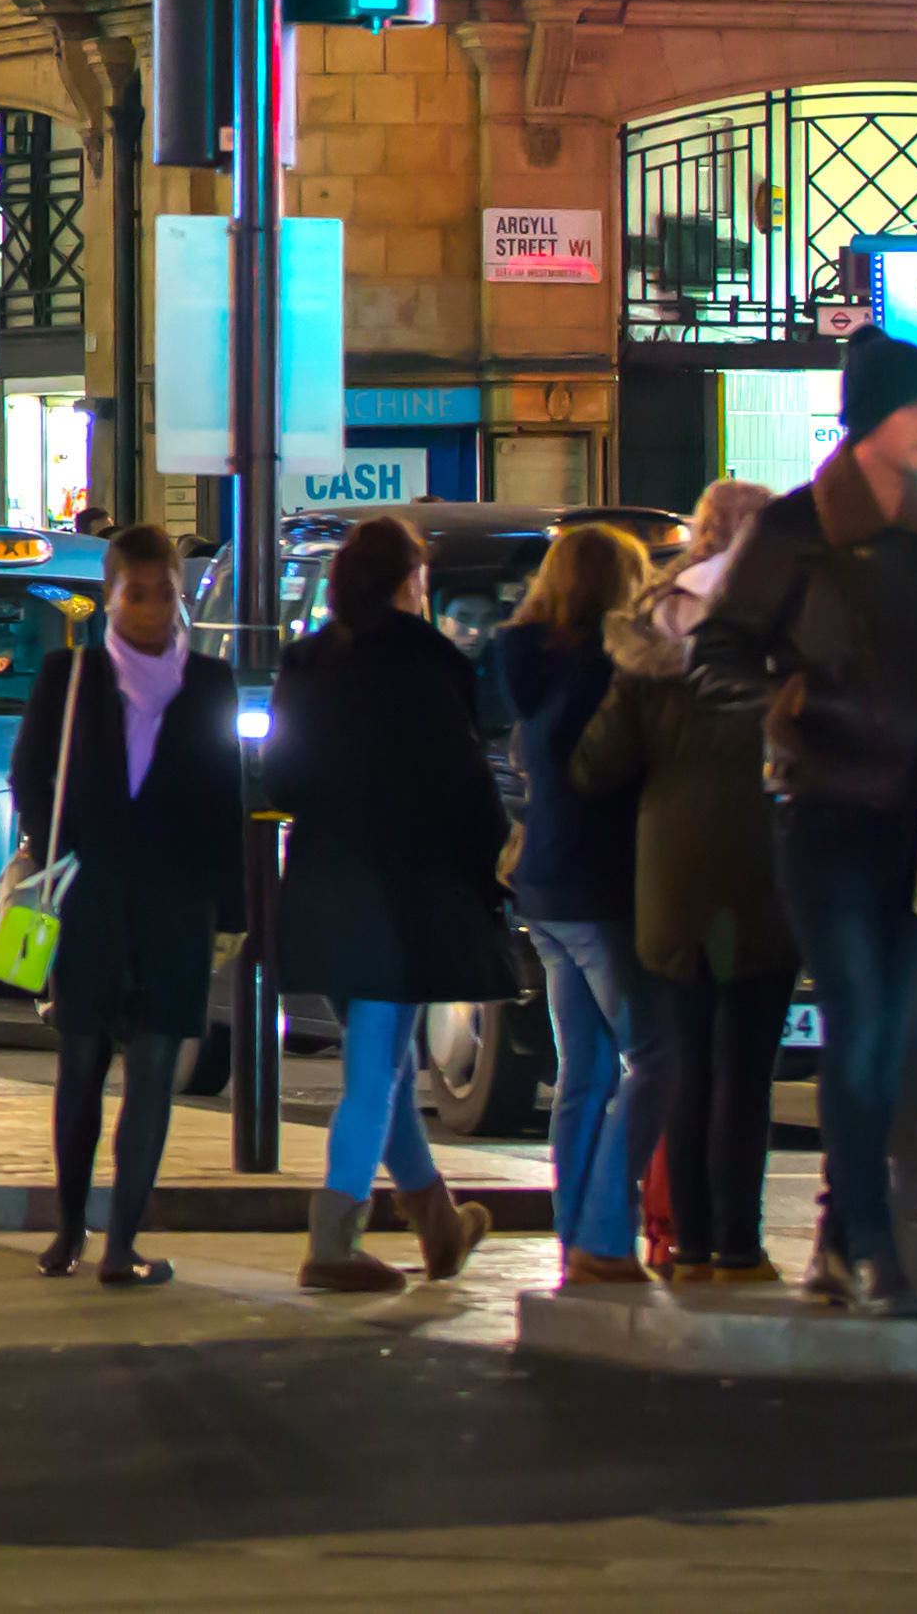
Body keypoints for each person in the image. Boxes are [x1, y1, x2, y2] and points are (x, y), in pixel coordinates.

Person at [692, 332, 917, 1316]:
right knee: (862, 1023)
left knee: (887, 1026)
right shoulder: (794, 532)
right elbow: (716, 649)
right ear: (880, 415)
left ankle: (844, 1240)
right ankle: (870, 1246)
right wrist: (782, 704)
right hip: (824, 807)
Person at [264, 515, 505, 1292]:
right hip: (403, 890)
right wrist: (493, 860)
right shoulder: (431, 662)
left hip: (325, 882)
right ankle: (332, 1239)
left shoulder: (305, 662)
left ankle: (440, 1226)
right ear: (412, 583)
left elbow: (282, 778)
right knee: (375, 1067)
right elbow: (463, 782)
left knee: (386, 1060)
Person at [5, 526, 245, 1287]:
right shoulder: (69, 675)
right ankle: (70, 1228)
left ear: (181, 594)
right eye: (134, 592)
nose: (149, 608)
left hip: (176, 906)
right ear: (108, 595)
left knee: (151, 1073)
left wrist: (231, 910)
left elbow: (224, 798)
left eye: (164, 592)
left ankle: (123, 1243)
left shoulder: (210, 684)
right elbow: (30, 774)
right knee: (80, 1064)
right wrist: (56, 849)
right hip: (91, 901)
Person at [576, 483, 797, 1286]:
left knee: (692, 1063)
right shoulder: (781, 634)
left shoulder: (649, 637)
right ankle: (739, 1243)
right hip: (761, 872)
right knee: (747, 1067)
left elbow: (600, 762)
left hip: (671, 880)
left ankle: (692, 1243)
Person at [489, 522, 652, 1285]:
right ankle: (602, 1231)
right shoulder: (607, 669)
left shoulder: (526, 662)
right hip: (597, 882)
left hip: (546, 884)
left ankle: (573, 1232)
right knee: (655, 1053)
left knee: (583, 1069)